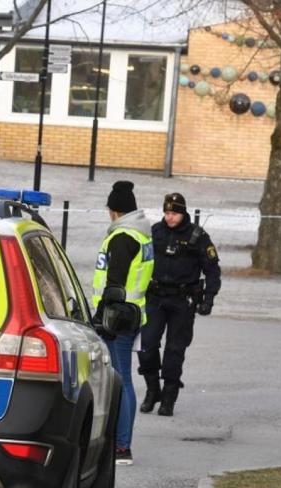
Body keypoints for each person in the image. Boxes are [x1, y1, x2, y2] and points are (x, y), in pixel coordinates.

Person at [137, 193, 221, 417]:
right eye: (166, 213)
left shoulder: (197, 236)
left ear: (183, 213)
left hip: (182, 300)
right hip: (155, 297)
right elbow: (140, 262)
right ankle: (152, 390)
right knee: (146, 346)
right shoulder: (155, 232)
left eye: (173, 213)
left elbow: (212, 269)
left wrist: (209, 298)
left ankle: (169, 396)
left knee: (175, 351)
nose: (169, 217)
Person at [91, 181, 154, 466]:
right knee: (122, 379)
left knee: (120, 380)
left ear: (115, 211)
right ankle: (119, 441)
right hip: (133, 313)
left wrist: (100, 316)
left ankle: (121, 446)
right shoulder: (142, 234)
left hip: (118, 316)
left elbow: (114, 283)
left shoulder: (121, 237)